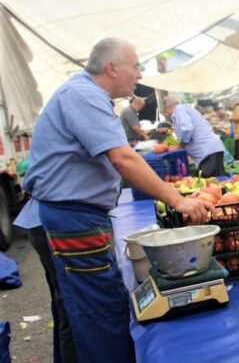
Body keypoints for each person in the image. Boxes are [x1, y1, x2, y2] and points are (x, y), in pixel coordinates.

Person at [13, 37, 212, 363]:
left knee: (73, 309)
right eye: (135, 66)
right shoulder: (83, 96)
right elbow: (123, 159)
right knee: (100, 312)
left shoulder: (85, 95)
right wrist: (179, 200)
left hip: (64, 214)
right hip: (72, 218)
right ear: (112, 67)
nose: (139, 74)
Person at [163, 96, 227, 177]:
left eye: (165, 110)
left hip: (207, 151)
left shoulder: (179, 110)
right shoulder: (183, 109)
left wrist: (182, 144)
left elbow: (187, 129)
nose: (167, 113)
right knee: (215, 181)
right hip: (208, 150)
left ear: (167, 107)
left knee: (213, 182)